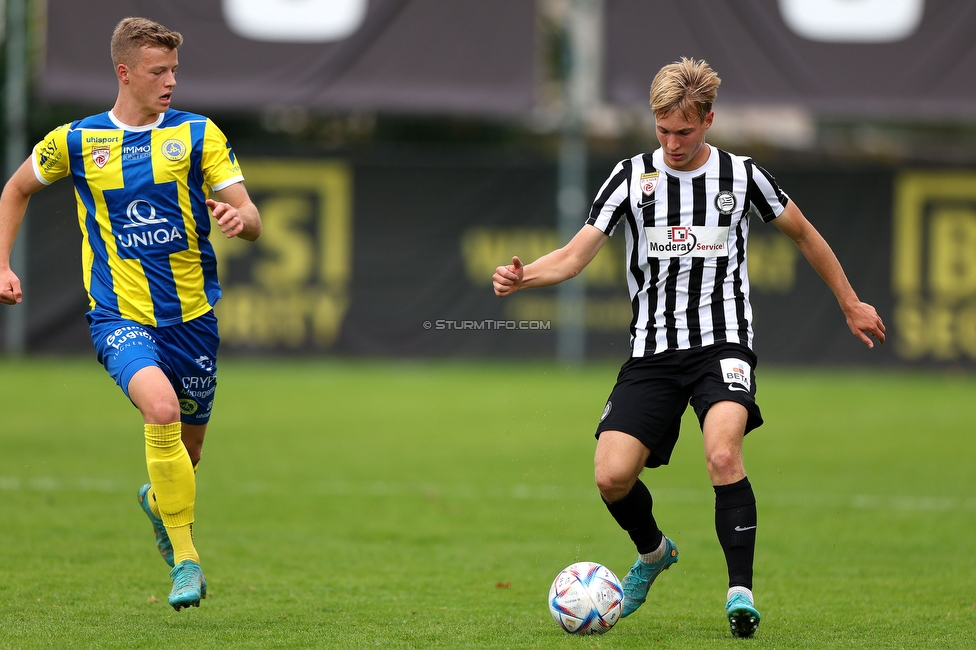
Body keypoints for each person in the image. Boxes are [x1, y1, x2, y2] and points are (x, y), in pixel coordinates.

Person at [493, 57, 885, 638]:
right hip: (652, 352)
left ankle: (739, 592)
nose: (672, 142)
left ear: (707, 121)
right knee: (611, 477)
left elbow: (803, 233)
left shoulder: (742, 175)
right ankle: (654, 554)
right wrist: (523, 277)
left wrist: (850, 302)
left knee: (723, 453)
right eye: (662, 129)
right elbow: (575, 256)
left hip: (722, 342)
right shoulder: (630, 178)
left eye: (683, 130)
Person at [0, 17, 262, 611]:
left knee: (187, 456)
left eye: (174, 70)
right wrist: (2, 263)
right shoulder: (76, 141)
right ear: (125, 73)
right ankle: (187, 563)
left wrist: (238, 221)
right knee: (161, 408)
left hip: (193, 318)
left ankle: (157, 501)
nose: (170, 81)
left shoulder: (199, 135)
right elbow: (14, 190)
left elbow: (251, 218)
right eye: (157, 71)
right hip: (119, 315)